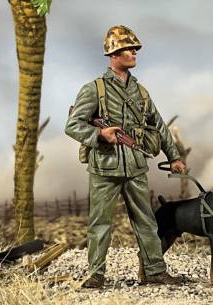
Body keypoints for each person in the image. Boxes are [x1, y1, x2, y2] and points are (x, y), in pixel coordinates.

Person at [65, 25, 186, 288]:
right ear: (114, 54)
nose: (134, 53)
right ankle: (95, 275)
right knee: (100, 224)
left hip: (135, 166)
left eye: (133, 49)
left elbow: (160, 126)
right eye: (128, 49)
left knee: (146, 221)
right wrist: (100, 135)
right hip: (104, 167)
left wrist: (174, 156)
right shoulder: (94, 89)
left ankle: (154, 271)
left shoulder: (140, 92)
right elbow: (73, 125)